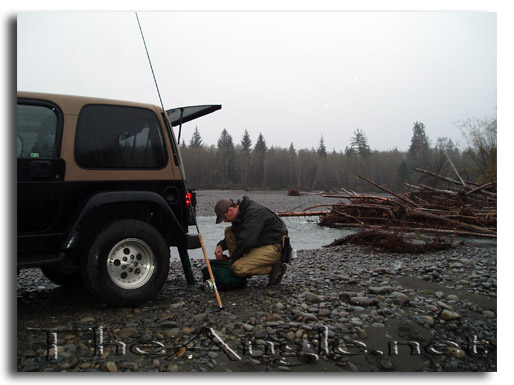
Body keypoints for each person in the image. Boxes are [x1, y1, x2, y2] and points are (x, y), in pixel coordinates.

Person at [214, 196, 288, 286]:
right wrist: (221, 245)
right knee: (229, 231)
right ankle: (241, 265)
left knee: (238, 268)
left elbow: (246, 241)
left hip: (275, 247)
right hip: (261, 244)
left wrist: (232, 260)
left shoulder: (254, 213)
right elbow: (238, 235)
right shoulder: (240, 214)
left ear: (230, 210)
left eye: (224, 217)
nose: (225, 221)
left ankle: (275, 268)